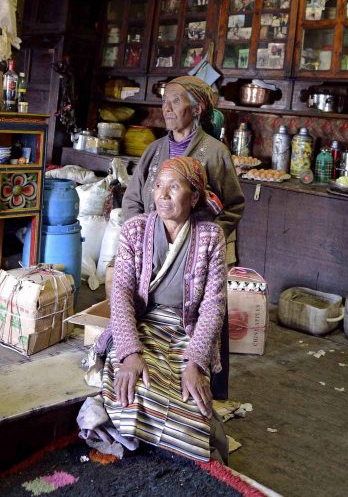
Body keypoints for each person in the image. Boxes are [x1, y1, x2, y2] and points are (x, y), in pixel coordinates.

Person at [80, 157, 229, 462]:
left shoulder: (211, 237)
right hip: (142, 324)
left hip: (184, 330)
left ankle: (175, 442)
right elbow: (120, 294)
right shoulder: (135, 230)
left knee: (189, 395)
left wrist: (196, 364)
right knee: (135, 386)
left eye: (174, 187)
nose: (162, 195)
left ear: (195, 196)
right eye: (159, 186)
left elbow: (214, 306)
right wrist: (130, 353)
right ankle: (150, 442)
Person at [121, 74, 244, 401]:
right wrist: (140, 235)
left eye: (176, 100)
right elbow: (133, 199)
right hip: (151, 250)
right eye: (165, 100)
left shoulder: (215, 152)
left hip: (197, 254)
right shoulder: (154, 150)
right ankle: (154, 383)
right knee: (147, 316)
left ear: (197, 107)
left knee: (205, 315)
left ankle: (207, 390)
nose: (167, 107)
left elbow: (234, 205)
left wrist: (206, 239)